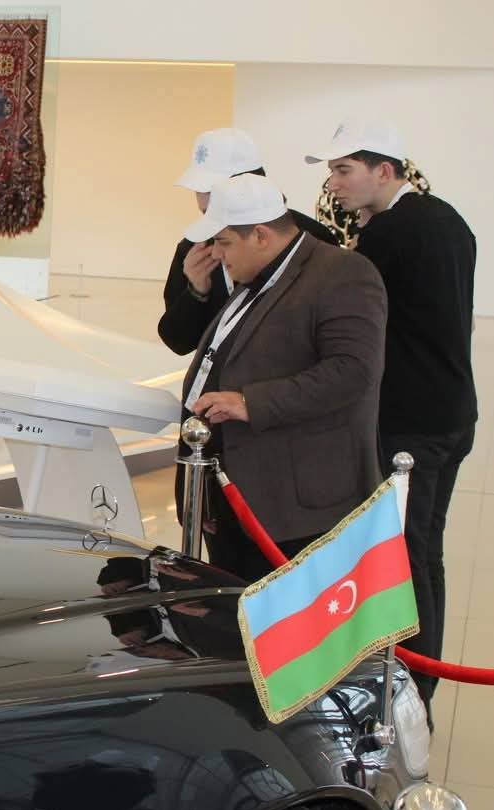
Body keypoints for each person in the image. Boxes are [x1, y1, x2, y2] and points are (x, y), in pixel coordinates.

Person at [307, 118, 479, 706]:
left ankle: (413, 687)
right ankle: (421, 677)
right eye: (332, 171)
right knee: (425, 549)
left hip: (413, 422)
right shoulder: (447, 218)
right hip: (452, 410)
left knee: (409, 554)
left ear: (384, 170)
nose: (334, 183)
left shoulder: (389, 233)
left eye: (344, 170)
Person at [177, 174, 387, 581]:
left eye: (223, 242)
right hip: (234, 495)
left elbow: (353, 371)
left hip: (296, 509)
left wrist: (249, 402)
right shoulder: (255, 278)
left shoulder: (343, 273)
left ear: (260, 235)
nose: (217, 254)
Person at [161, 128, 337, 356]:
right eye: (196, 188)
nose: (202, 200)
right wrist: (196, 293)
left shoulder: (311, 239)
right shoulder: (195, 248)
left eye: (211, 189)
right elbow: (177, 342)